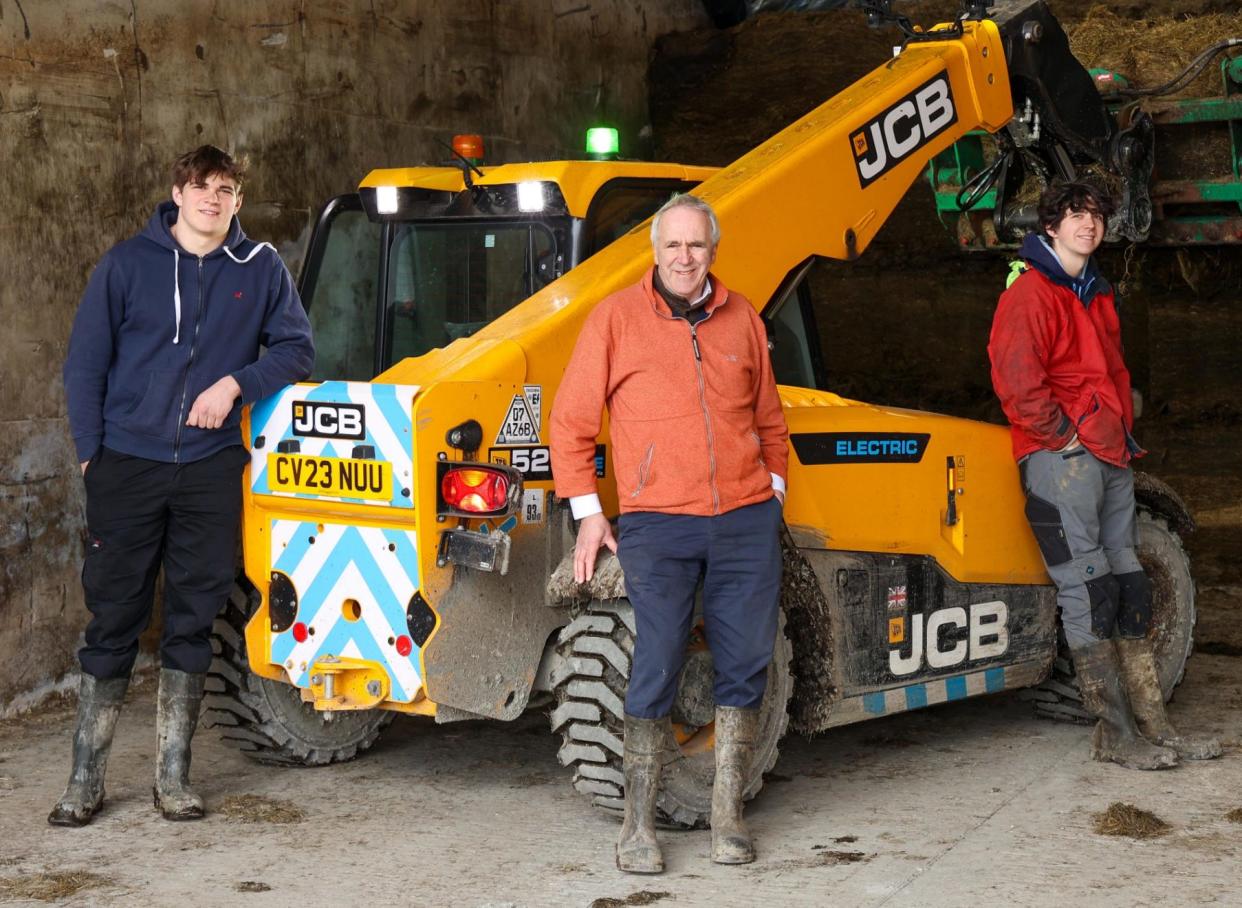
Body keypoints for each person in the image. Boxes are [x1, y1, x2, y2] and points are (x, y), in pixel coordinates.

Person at [52, 145, 315, 826]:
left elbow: (295, 349)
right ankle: (85, 780)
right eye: (202, 187)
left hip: (208, 468)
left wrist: (236, 385)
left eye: (226, 190)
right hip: (128, 464)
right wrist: (92, 459)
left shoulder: (258, 270)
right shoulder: (126, 266)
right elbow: (84, 367)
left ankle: (174, 778)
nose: (214, 200)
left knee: (193, 618)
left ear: (238, 200)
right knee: (113, 617)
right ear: (178, 191)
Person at [550, 194, 789, 872]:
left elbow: (769, 417)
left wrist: (771, 490)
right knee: (655, 659)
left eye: (697, 246)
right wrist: (589, 512)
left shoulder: (741, 317)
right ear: (655, 252)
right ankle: (637, 825)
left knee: (746, 661)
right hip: (658, 522)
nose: (685, 258)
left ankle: (726, 816)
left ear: (713, 250)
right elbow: (570, 423)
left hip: (744, 519)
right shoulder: (616, 320)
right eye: (673, 246)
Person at [988, 181, 1219, 771]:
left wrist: (1117, 430)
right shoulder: (1032, 293)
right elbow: (1017, 383)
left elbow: (1109, 371)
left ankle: (1154, 726)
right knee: (1087, 589)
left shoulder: (1095, 291)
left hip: (1110, 454)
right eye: (1074, 215)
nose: (1087, 224)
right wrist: (1065, 436)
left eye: (1095, 215)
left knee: (1129, 585)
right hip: (1062, 459)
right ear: (1051, 226)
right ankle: (1114, 733)